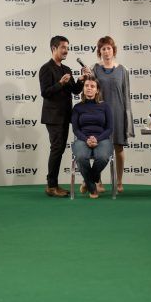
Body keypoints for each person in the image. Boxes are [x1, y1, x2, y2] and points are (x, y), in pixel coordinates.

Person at [39, 35, 86, 197]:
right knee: (57, 148)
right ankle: (51, 186)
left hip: (65, 116)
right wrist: (60, 83)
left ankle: (53, 184)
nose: (66, 51)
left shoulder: (66, 69)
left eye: (67, 48)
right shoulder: (46, 68)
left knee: (58, 150)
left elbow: (75, 90)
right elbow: (45, 92)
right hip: (53, 117)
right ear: (54, 48)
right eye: (63, 47)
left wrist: (81, 80)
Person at [87, 36, 134, 193]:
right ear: (99, 52)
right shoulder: (94, 69)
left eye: (109, 48)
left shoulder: (123, 70)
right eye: (103, 49)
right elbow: (89, 90)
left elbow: (126, 95)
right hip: (99, 115)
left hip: (118, 114)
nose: (106, 51)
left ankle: (119, 181)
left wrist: (127, 117)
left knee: (119, 148)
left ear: (113, 50)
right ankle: (98, 182)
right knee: (99, 148)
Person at [71, 77, 113, 198]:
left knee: (103, 157)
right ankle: (92, 189)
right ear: (83, 89)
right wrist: (86, 139)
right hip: (82, 139)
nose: (89, 88)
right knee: (81, 157)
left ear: (97, 90)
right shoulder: (77, 107)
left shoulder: (105, 106)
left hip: (102, 138)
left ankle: (87, 181)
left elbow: (109, 128)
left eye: (92, 86)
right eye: (86, 86)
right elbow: (76, 129)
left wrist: (97, 139)